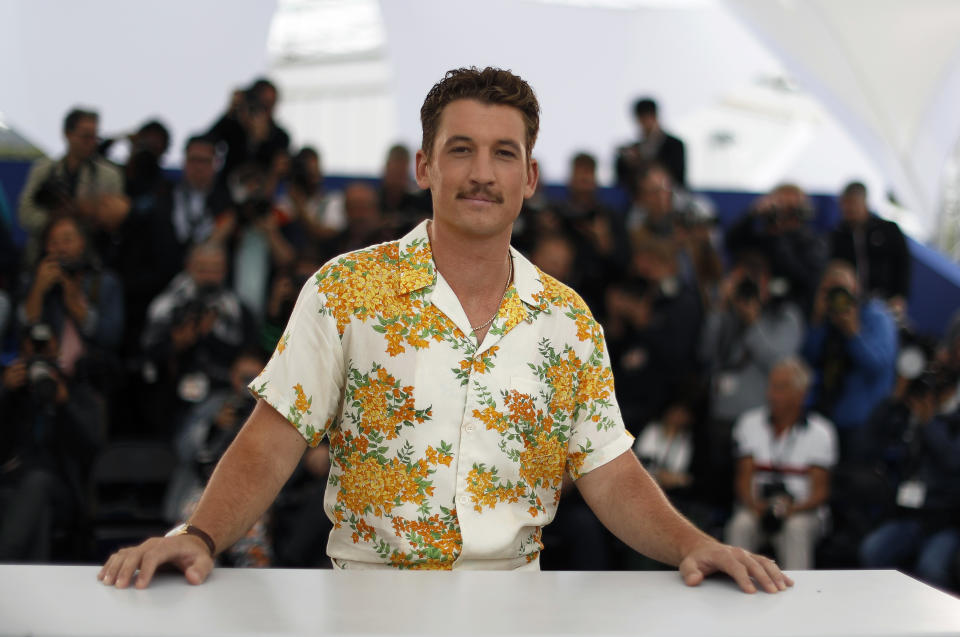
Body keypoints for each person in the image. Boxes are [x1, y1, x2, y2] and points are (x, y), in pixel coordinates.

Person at [99, 67, 790, 594]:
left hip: (517, 605)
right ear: (425, 165)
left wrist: (693, 542)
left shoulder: (569, 320)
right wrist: (199, 534)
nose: (482, 173)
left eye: (503, 153)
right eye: (461, 149)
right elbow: (273, 437)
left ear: (531, 176)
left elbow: (609, 471)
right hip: (365, 601)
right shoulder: (345, 290)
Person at [725, 358, 838, 570]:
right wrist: (757, 505)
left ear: (800, 394)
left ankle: (798, 596)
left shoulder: (821, 432)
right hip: (756, 506)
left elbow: (820, 492)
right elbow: (743, 479)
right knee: (740, 525)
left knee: (796, 529)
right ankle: (735, 587)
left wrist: (790, 508)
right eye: (771, 386)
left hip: (802, 510)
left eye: (781, 388)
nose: (771, 394)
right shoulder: (749, 423)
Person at [802, 261, 898, 460]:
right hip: (820, 413)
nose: (837, 298)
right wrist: (817, 322)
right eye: (830, 290)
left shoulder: (877, 317)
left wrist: (853, 332)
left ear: (856, 289)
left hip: (860, 422)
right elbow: (807, 360)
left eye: (842, 290)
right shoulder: (823, 318)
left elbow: (878, 366)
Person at [17, 108, 124, 265]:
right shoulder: (44, 170)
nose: (91, 143)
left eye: (95, 137)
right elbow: (25, 213)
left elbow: (115, 221)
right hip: (43, 256)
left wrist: (85, 212)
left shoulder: (109, 176)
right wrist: (53, 219)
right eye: (86, 137)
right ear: (68, 134)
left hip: (92, 258)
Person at [829, 181, 911, 320]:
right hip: (850, 303)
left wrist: (900, 296)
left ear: (864, 203)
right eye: (845, 204)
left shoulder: (888, 230)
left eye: (853, 203)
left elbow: (903, 264)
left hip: (885, 301)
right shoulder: (837, 235)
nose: (849, 209)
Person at [615, 98, 686, 192]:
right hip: (640, 198)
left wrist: (640, 161)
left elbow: (676, 176)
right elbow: (621, 179)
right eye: (642, 119)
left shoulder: (675, 145)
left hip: (672, 194)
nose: (645, 123)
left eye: (647, 117)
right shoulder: (634, 148)